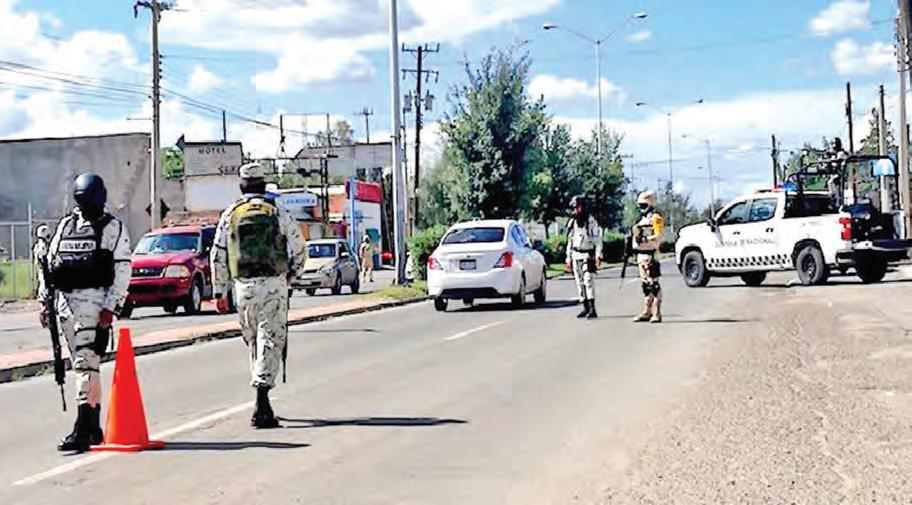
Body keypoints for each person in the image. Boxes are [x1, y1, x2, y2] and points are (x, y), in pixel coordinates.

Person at [39, 173, 132, 452]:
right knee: (86, 365)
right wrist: (46, 303)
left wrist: (110, 307)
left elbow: (122, 270)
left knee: (85, 364)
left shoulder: (112, 228)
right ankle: (92, 426)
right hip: (66, 305)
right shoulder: (67, 225)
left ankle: (82, 428)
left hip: (94, 304)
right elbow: (50, 267)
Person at [211, 163, 307, 429]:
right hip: (274, 284)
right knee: (270, 339)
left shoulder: (231, 214)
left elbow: (218, 254)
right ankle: (262, 401)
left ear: (242, 187)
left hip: (243, 287)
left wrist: (219, 291)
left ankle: (260, 391)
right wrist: (293, 275)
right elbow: (299, 247)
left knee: (254, 339)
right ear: (264, 185)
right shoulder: (278, 211)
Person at [565, 195, 602, 319]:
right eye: (573, 208)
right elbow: (570, 241)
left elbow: (597, 240)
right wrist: (568, 257)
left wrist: (598, 256)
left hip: (587, 254)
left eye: (577, 208)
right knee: (579, 282)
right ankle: (585, 307)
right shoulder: (572, 223)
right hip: (576, 254)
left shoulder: (591, 222)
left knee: (588, 281)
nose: (575, 211)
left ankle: (592, 308)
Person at [631, 190, 665, 323]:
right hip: (641, 255)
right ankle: (647, 311)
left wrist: (644, 239)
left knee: (654, 284)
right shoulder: (641, 220)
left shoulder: (655, 218)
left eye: (643, 205)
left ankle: (657, 312)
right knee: (645, 285)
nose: (641, 209)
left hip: (651, 255)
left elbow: (658, 236)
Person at [33, 224, 51, 294]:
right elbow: (43, 258)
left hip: (41, 267)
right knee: (44, 281)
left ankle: (44, 295)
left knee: (42, 280)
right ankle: (45, 296)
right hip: (43, 267)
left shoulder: (38, 244)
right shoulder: (42, 246)